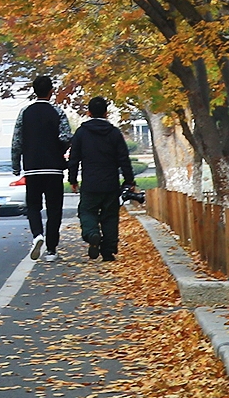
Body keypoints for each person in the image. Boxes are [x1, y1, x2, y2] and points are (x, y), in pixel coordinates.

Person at [10, 74, 72, 260]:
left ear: (34, 91)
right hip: (54, 168)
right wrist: (58, 151)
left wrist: (16, 166)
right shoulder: (57, 112)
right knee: (54, 209)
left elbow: (17, 141)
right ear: (51, 91)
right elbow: (66, 137)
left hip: (32, 168)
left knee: (33, 206)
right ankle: (51, 250)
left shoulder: (25, 113)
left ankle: (37, 234)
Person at [67, 97, 136, 261]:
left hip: (90, 182)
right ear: (106, 113)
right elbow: (123, 159)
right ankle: (108, 251)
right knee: (110, 216)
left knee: (87, 211)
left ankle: (92, 234)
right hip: (110, 183)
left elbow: (74, 158)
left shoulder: (81, 133)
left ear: (88, 113)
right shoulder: (114, 133)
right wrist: (129, 180)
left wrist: (72, 179)